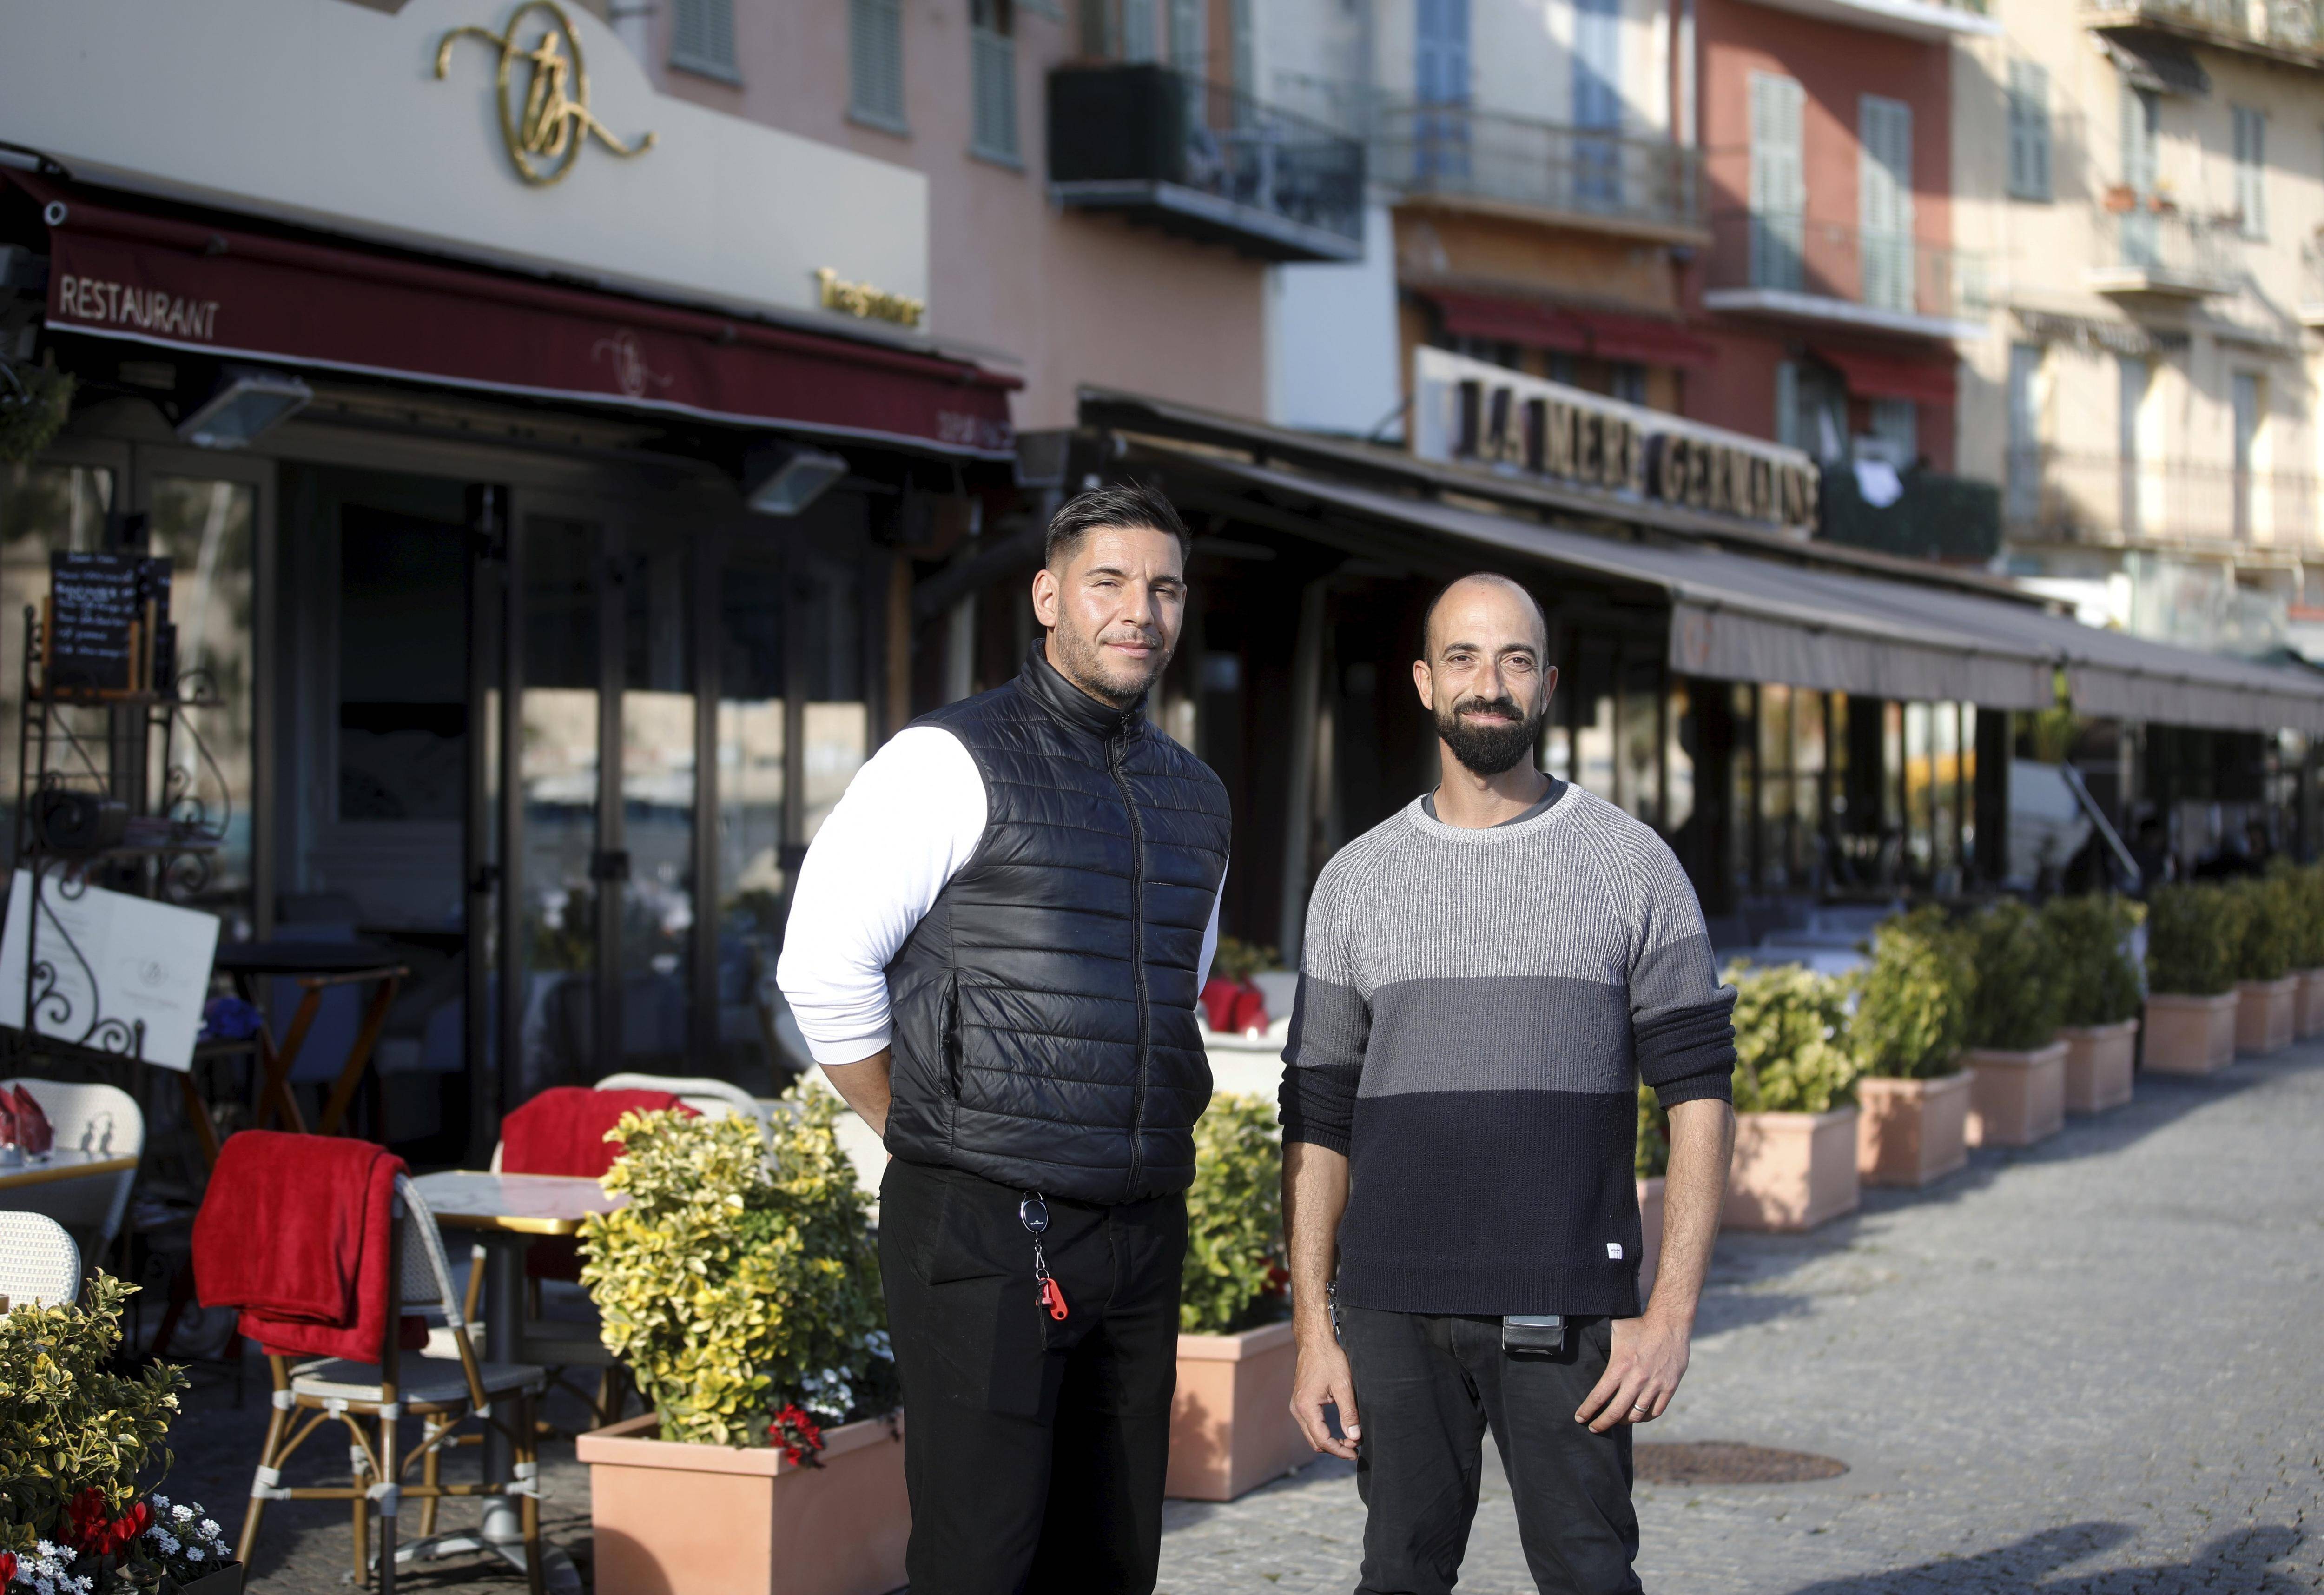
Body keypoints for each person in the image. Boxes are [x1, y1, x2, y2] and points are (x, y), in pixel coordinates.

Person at [777, 482, 1230, 1595]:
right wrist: (924, 1129)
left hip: (1137, 1229)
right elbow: (820, 973)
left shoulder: (1198, 797)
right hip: (982, 1227)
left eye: (1163, 588)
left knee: (1112, 1562)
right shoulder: (944, 761)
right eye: (1109, 582)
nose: (1140, 611)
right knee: (983, 1563)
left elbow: (1179, 989)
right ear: (1046, 596)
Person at [1280, 572, 1737, 1595]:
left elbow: (1698, 1100)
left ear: (1548, 685)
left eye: (1515, 660)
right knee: (1396, 1576)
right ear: (1421, 682)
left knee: (1586, 1573)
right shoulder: (1353, 880)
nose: (1489, 683)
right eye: (1463, 658)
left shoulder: (1633, 866)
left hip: (1565, 1304)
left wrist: (1669, 1316)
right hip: (1393, 1309)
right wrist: (1315, 1327)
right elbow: (1316, 1118)